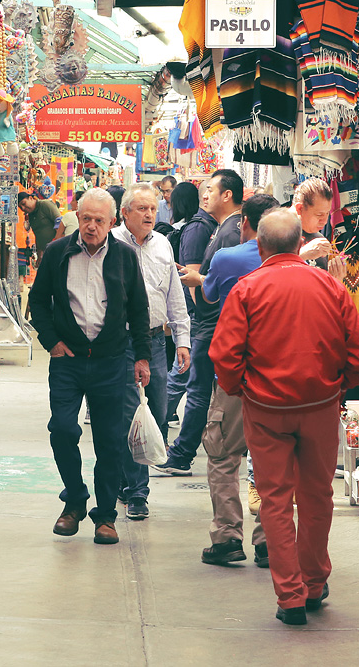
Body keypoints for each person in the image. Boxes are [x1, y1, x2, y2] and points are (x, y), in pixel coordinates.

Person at [210, 209, 359, 625]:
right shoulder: (329, 286)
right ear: (298, 243)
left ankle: (290, 597)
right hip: (319, 407)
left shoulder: (247, 289)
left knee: (276, 501)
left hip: (266, 410)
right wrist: (338, 386)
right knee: (318, 497)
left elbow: (224, 356)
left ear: (261, 246)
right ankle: (315, 584)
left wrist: (242, 388)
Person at [26, 188, 152, 545]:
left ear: (112, 222)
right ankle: (75, 501)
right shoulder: (57, 252)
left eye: (99, 220)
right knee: (63, 429)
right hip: (68, 361)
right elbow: (38, 300)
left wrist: (141, 357)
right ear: (76, 218)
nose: (91, 226)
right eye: (86, 219)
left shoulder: (125, 257)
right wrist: (51, 341)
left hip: (112, 361)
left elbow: (139, 309)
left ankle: (106, 516)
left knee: (111, 441)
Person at [197, 193, 279, 567]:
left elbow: (209, 296)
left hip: (234, 376)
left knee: (223, 456)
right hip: (277, 381)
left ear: (245, 221)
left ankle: (228, 535)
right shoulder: (300, 269)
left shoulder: (227, 259)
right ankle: (269, 540)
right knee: (270, 462)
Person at [154, 168, 244, 476]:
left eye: (210, 190)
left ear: (226, 195)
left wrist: (198, 280)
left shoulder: (231, 232)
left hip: (214, 320)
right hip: (210, 319)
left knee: (198, 388)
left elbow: (229, 281)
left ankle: (182, 453)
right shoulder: (221, 227)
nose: (204, 195)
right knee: (199, 387)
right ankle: (186, 449)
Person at [111, 183, 191, 520]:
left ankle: (123, 478)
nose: (149, 215)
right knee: (133, 414)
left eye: (153, 209)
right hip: (124, 342)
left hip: (158, 341)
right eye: (141, 209)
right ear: (125, 213)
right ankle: (137, 493)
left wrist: (182, 338)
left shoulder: (162, 246)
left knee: (157, 415)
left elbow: (174, 293)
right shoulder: (111, 242)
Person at [162, 179, 203, 424]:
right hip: (189, 306)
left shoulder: (185, 228)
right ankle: (159, 417)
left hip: (184, 305)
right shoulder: (195, 229)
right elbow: (191, 274)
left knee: (180, 364)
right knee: (181, 367)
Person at [19, 191, 62, 257]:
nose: (23, 208)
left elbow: (60, 223)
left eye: (24, 204)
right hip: (46, 252)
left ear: (30, 198)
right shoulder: (31, 215)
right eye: (20, 207)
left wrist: (57, 242)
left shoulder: (45, 205)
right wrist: (39, 256)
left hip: (57, 249)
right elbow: (38, 235)